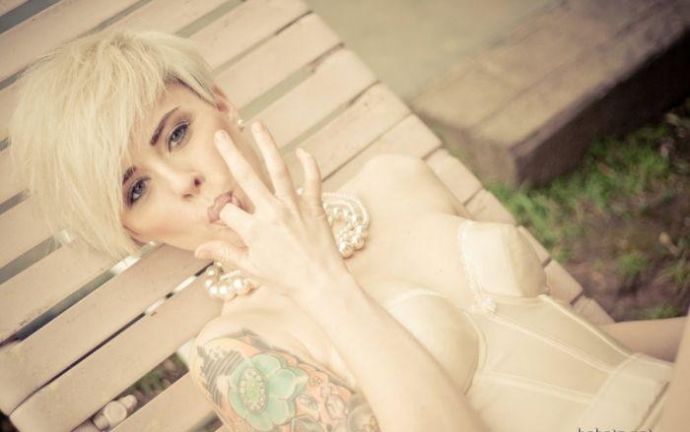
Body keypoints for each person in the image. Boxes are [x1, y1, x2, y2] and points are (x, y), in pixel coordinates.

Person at [8, 29, 689, 432]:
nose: (181, 179)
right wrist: (316, 279)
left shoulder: (397, 180)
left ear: (222, 104)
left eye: (177, 133)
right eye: (137, 188)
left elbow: (583, 349)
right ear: (135, 232)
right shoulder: (238, 355)